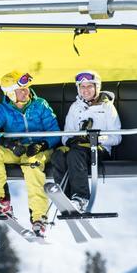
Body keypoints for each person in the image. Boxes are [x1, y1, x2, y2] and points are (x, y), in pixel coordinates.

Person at [0, 71, 60, 237]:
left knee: (31, 165)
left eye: (26, 89)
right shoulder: (4, 109)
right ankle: (1, 199)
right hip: (17, 149)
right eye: (21, 90)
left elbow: (55, 132)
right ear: (10, 93)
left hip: (40, 150)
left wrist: (42, 144)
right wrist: (5, 142)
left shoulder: (40, 104)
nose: (26, 92)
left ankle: (39, 217)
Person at [49, 70, 121, 211]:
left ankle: (81, 198)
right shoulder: (75, 107)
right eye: (82, 87)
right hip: (77, 148)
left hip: (99, 149)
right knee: (58, 154)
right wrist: (71, 140)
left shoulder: (107, 107)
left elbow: (116, 137)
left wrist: (96, 139)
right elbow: (66, 134)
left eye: (89, 86)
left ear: (96, 88)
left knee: (75, 154)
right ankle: (65, 196)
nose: (86, 90)